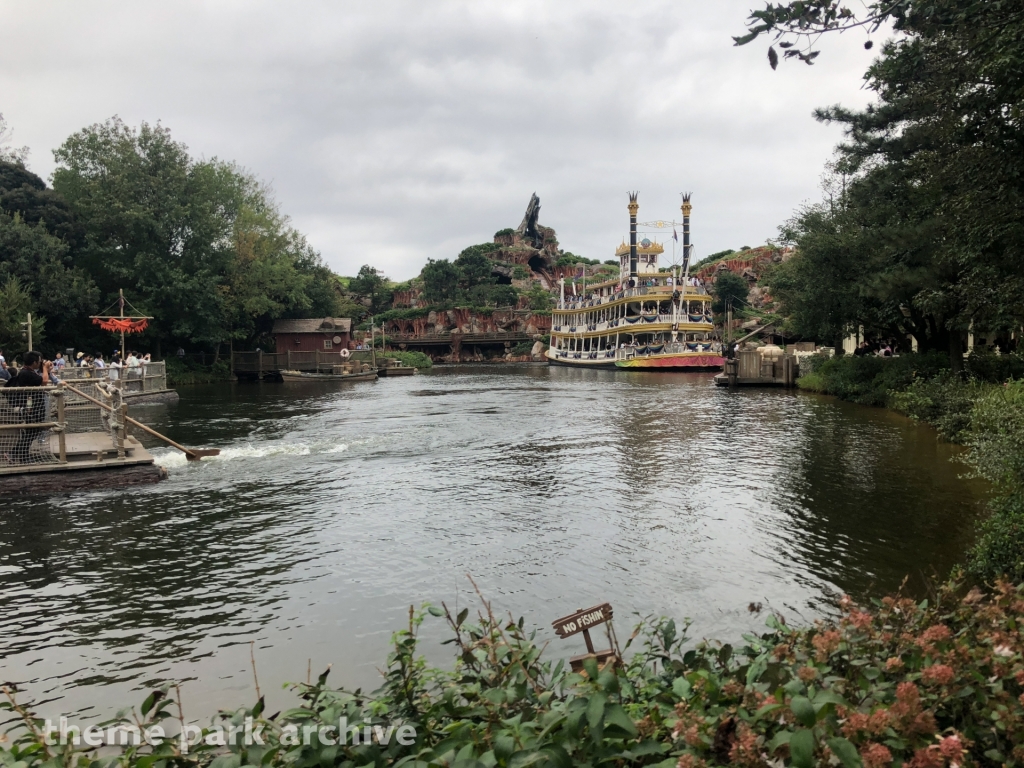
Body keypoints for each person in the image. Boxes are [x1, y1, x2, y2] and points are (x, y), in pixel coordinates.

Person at [3, 351, 52, 464]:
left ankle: (24, 458)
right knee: (32, 431)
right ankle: (13, 453)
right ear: (34, 362)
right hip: (31, 408)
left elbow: (41, 378)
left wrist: (46, 369)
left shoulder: (28, 372)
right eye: (39, 361)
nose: (40, 363)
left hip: (34, 406)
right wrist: (44, 368)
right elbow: (44, 381)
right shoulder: (26, 373)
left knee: (31, 431)